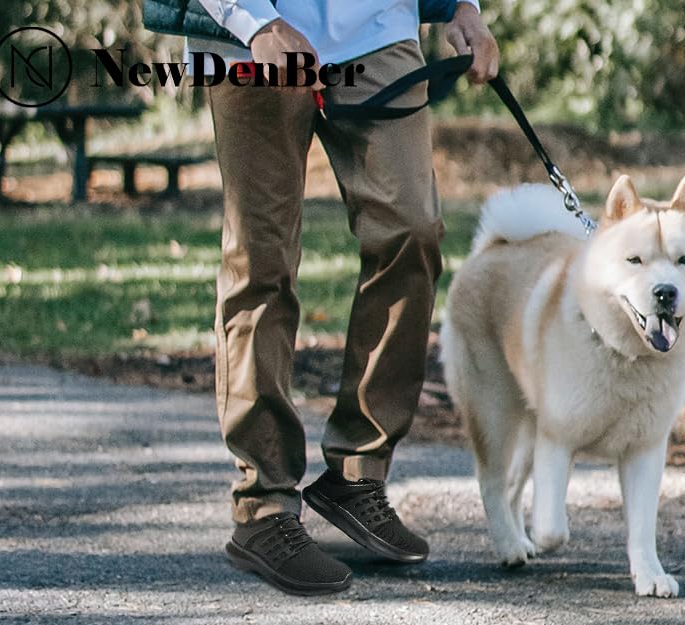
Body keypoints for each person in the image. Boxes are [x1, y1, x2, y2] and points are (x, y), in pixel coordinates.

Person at [183, 0, 499, 595]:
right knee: (261, 260)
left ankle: (358, 470)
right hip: (252, 31)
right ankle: (265, 505)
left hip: (376, 28)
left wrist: (462, 5)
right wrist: (256, 25)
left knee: (413, 228)